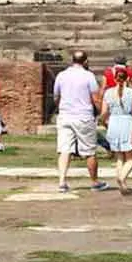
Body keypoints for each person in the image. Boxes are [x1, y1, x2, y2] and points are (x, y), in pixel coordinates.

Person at [52, 50, 107, 193]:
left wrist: (61, 109)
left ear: (72, 60)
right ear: (86, 61)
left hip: (65, 116)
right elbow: (95, 98)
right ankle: (94, 182)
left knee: (64, 150)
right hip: (83, 116)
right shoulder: (88, 76)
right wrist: (101, 113)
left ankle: (62, 181)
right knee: (89, 151)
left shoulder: (61, 75)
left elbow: (56, 97)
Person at [98, 67, 132, 194]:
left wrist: (104, 122)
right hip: (127, 122)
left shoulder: (108, 93)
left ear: (115, 78)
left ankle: (121, 182)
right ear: (127, 78)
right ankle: (122, 178)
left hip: (114, 122)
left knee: (119, 157)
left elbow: (104, 112)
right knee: (131, 158)